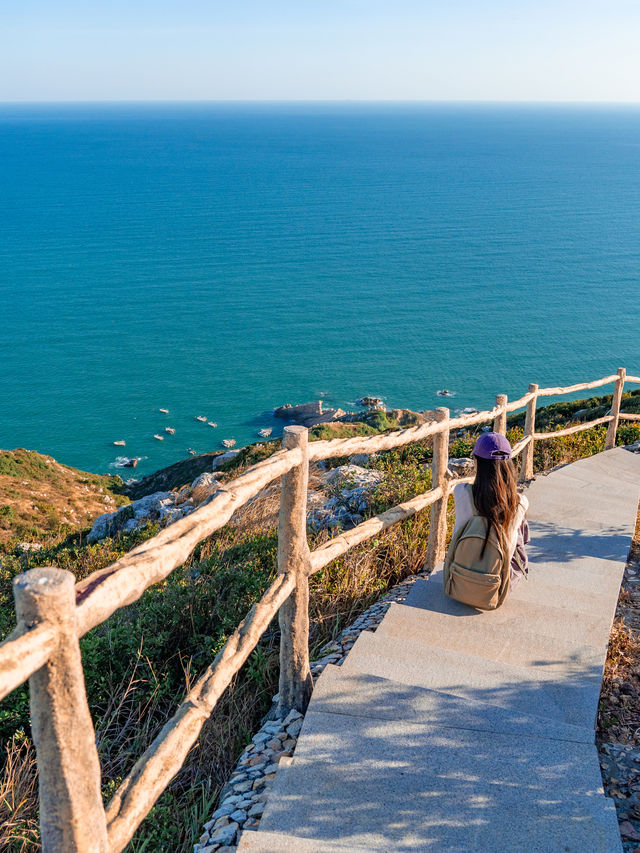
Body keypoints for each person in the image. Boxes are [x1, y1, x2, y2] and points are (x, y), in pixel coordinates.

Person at [452, 432, 530, 588]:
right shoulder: (521, 502)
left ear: (477, 462)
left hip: (459, 574)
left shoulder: (460, 491)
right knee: (520, 527)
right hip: (498, 583)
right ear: (508, 464)